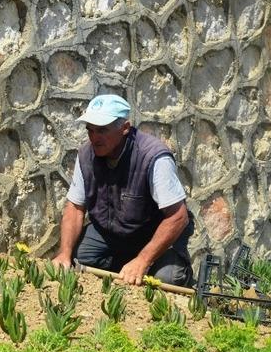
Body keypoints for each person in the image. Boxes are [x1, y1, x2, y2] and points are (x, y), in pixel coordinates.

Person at [51, 94, 194, 286]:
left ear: (125, 128)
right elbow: (75, 207)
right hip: (111, 233)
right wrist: (65, 254)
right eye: (90, 130)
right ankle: (124, 266)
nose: (94, 138)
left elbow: (178, 217)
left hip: (153, 234)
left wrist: (143, 260)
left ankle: (152, 264)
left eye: (102, 130)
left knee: (165, 280)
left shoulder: (154, 157)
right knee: (77, 259)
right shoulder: (86, 154)